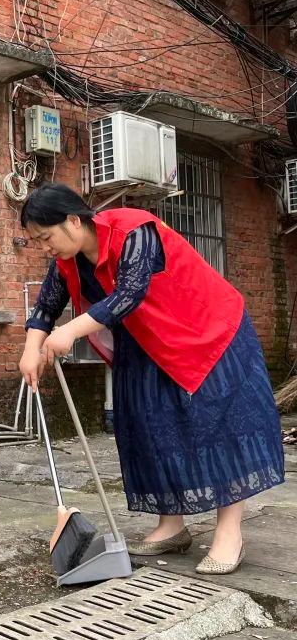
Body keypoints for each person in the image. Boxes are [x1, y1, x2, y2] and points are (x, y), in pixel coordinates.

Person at [17, 182, 284, 576]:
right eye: (38, 241)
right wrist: (30, 350)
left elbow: (129, 294)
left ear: (73, 221)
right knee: (150, 429)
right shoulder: (67, 261)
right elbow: (45, 308)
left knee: (218, 427)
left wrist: (70, 331)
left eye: (46, 237)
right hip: (146, 342)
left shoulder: (133, 230)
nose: (45, 248)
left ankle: (229, 533)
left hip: (205, 331)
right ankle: (172, 524)